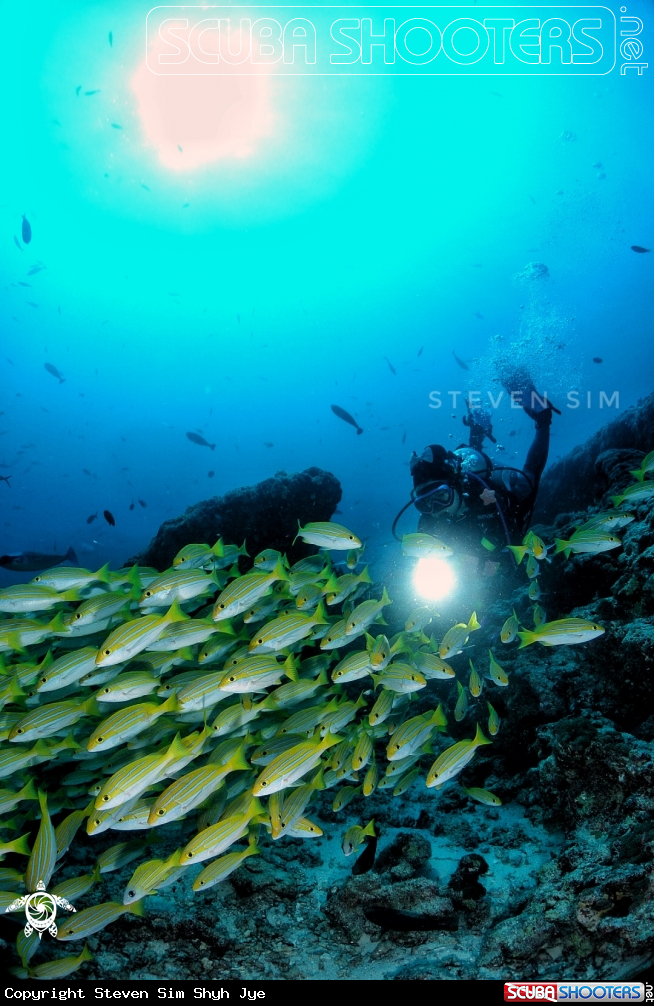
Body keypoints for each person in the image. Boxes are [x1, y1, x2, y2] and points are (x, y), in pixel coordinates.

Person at [404, 370, 559, 553]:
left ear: (454, 487)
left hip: (486, 487)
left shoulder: (484, 498)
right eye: (424, 504)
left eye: (442, 496)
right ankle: (478, 425)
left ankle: (542, 418)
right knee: (473, 452)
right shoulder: (428, 520)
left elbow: (510, 538)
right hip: (465, 469)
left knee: (528, 482)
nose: (435, 509)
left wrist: (487, 551)